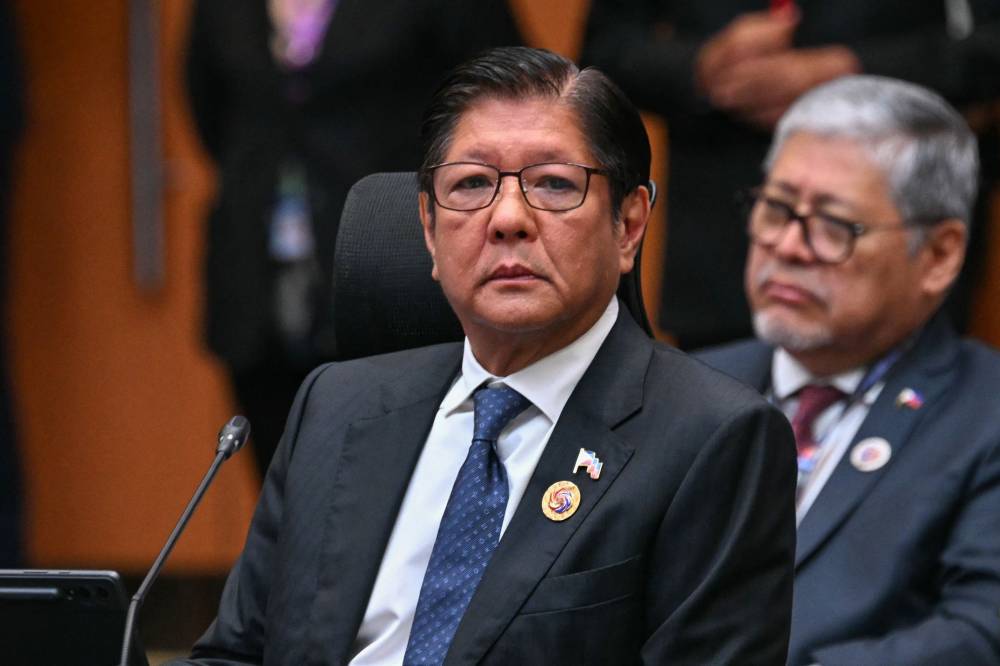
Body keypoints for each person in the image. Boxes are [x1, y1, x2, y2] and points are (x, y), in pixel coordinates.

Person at [173, 47, 796, 665]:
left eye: (553, 184)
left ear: (629, 225)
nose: (507, 219)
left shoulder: (712, 439)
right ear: (428, 229)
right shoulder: (335, 407)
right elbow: (234, 655)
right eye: (471, 185)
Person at [698, 76, 1000, 665]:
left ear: (939, 255)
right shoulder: (682, 387)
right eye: (777, 209)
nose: (788, 244)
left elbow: (983, 632)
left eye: (835, 225)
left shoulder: (986, 415)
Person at [185, 0, 522, 477]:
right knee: (285, 488)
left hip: (397, 265)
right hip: (257, 279)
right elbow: (209, 109)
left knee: (398, 484)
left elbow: (504, 100)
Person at [581, 0, 1000, 350]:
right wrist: (700, 67)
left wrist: (852, 71)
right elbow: (603, 52)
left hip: (894, 229)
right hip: (720, 246)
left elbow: (987, 44)